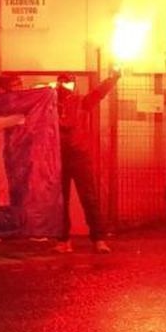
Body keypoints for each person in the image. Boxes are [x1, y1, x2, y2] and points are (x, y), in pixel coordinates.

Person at [53, 69, 121, 254]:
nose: (66, 87)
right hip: (59, 156)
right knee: (61, 201)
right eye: (63, 83)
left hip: (79, 155)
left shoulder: (80, 101)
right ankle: (63, 239)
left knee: (89, 198)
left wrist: (113, 78)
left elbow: (98, 93)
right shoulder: (50, 104)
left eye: (69, 83)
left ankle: (98, 239)